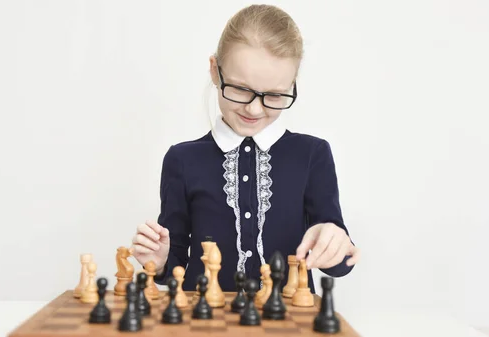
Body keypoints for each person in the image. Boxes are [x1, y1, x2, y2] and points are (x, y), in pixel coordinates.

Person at [130, 4, 360, 291]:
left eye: (275, 94)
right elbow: (174, 263)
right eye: (240, 89)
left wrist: (335, 243)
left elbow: (338, 265)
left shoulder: (313, 155)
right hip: (203, 323)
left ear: (291, 85)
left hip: (287, 324)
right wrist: (161, 260)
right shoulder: (182, 159)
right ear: (215, 71)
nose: (254, 108)